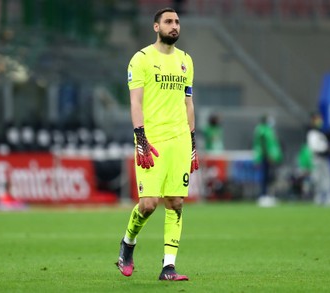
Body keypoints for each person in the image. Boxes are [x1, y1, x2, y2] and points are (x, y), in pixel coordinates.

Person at [116, 7, 199, 281]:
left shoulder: (186, 61)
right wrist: (140, 138)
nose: (174, 26)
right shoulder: (140, 59)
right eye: (168, 21)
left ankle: (169, 267)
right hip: (151, 140)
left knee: (175, 202)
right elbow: (135, 102)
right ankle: (128, 244)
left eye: (177, 22)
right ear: (156, 27)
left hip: (179, 141)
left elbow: (188, 103)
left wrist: (193, 141)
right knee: (149, 204)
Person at [306, 112, 330, 206]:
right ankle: (320, 196)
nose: (319, 121)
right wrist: (325, 150)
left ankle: (327, 196)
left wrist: (329, 149)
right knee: (318, 178)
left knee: (326, 177)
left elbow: (324, 146)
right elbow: (314, 148)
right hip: (317, 158)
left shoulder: (320, 133)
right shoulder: (312, 133)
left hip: (324, 158)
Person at [252, 114, 282, 205]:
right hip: (265, 156)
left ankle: (268, 195)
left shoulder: (267, 130)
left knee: (269, 176)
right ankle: (263, 195)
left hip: (269, 156)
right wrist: (268, 155)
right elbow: (263, 144)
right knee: (264, 176)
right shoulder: (262, 130)